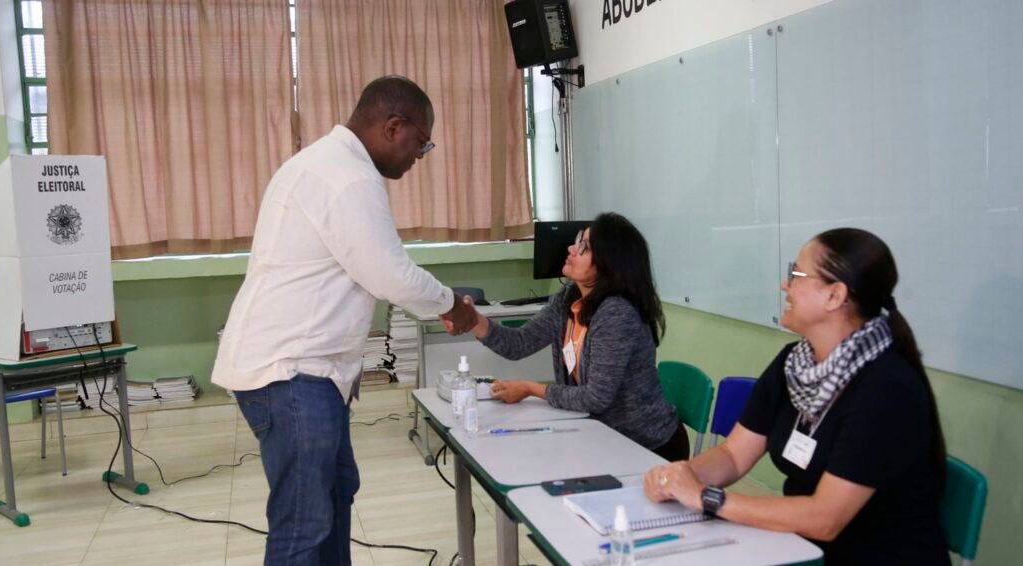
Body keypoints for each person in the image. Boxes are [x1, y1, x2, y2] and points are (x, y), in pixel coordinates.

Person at [211, 76, 478, 565]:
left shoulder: (329, 164)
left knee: (335, 497)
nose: (421, 156)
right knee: (304, 525)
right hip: (291, 373)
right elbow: (389, 275)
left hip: (305, 373)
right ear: (394, 127)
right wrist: (450, 304)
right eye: (422, 143)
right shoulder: (347, 177)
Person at [643, 228, 949, 565]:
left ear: (835, 295)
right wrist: (678, 477)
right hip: (798, 547)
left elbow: (825, 518)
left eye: (796, 274)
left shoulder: (887, 389)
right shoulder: (795, 363)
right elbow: (733, 455)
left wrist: (706, 498)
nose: (784, 285)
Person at [446, 212, 689, 462]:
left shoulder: (616, 313)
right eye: (577, 241)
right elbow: (519, 344)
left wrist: (531, 388)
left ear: (609, 262)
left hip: (646, 447)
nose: (572, 248)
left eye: (584, 247)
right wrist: (473, 320)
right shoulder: (568, 300)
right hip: (601, 435)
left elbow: (596, 398)